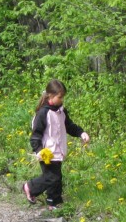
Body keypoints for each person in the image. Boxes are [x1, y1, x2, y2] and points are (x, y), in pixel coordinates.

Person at [23, 79, 90, 210]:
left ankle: (55, 201)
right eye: (60, 97)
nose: (62, 100)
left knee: (56, 177)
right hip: (47, 152)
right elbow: (35, 135)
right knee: (52, 178)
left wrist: (81, 133)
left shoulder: (61, 111)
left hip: (58, 150)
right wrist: (39, 150)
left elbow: (69, 126)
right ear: (50, 96)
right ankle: (31, 188)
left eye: (63, 97)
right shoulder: (43, 113)